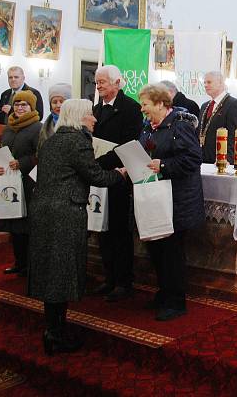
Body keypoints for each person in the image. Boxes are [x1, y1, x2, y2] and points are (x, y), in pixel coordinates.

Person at [28, 99, 124, 355]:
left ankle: (53, 329)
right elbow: (96, 177)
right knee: (62, 272)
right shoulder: (78, 142)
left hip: (43, 212)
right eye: (91, 115)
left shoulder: (52, 141)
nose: (94, 120)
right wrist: (121, 174)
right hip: (65, 214)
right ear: (81, 117)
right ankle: (56, 334)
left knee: (51, 272)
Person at [137, 84, 204, 321]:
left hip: (178, 200)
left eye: (145, 104)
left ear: (160, 104)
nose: (142, 108)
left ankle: (176, 301)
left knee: (172, 253)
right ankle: (164, 294)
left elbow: (193, 159)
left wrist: (163, 165)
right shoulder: (148, 127)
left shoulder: (181, 125)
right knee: (157, 249)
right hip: (156, 198)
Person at [91, 65, 143, 302]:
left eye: (102, 82)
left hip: (119, 176)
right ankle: (109, 277)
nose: (99, 86)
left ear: (117, 82)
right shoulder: (95, 109)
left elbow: (128, 143)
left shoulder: (131, 108)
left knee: (120, 231)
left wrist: (100, 161)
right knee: (102, 229)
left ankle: (124, 280)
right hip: (100, 177)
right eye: (97, 83)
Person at [0, 90, 42, 277]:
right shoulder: (8, 128)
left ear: (32, 107)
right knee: (14, 226)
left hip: (29, 183)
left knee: (27, 226)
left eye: (24, 105)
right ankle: (19, 263)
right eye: (17, 104)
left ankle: (32, 266)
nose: (20, 108)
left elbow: (42, 155)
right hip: (9, 182)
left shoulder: (38, 128)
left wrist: (22, 163)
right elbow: (0, 153)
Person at [198, 71, 237, 164]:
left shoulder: (233, 104)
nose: (206, 85)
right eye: (204, 83)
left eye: (209, 82)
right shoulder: (204, 106)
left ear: (220, 83)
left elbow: (234, 135)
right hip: (202, 158)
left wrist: (228, 159)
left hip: (220, 159)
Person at [38, 83, 72, 149]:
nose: (58, 105)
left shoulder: (77, 123)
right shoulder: (46, 126)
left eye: (62, 101)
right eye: (54, 102)